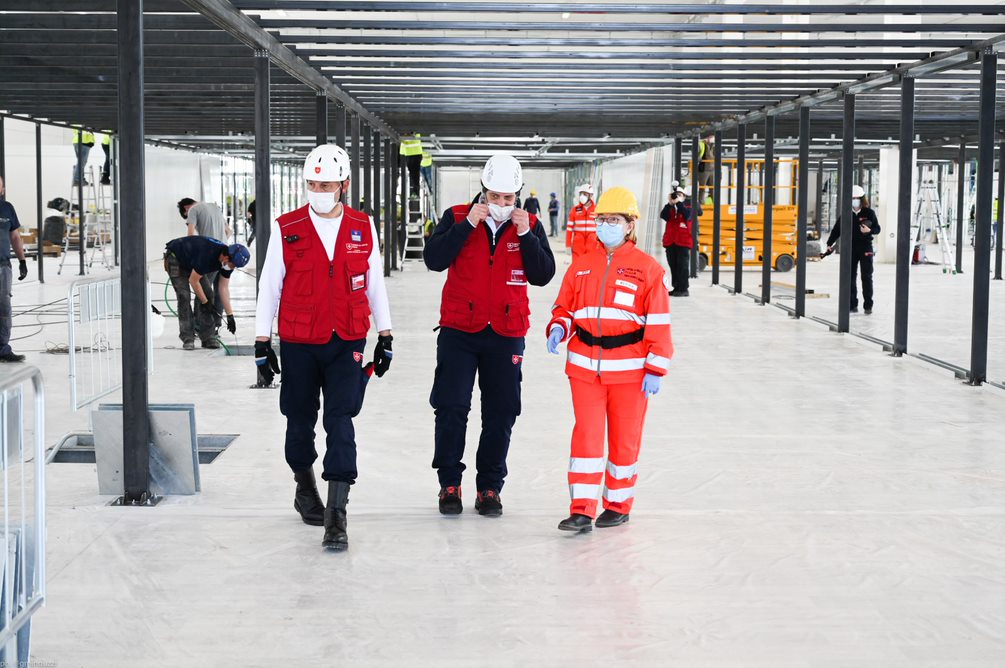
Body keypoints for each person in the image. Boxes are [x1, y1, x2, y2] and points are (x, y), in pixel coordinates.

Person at [254, 143, 393, 552]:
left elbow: (375, 283)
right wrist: (262, 342)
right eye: (313, 183)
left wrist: (385, 335)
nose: (318, 189)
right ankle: (304, 487)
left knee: (341, 421)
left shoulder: (362, 226)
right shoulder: (287, 227)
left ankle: (337, 514)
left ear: (344, 185)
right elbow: (269, 286)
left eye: (327, 183)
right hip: (299, 342)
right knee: (298, 421)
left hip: (346, 339)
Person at [424, 153, 555, 517]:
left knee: (501, 412)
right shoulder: (454, 216)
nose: (500, 205)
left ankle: (489, 489)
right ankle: (449, 483)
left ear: (517, 196)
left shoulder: (529, 224)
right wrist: (466, 225)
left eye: (508, 198)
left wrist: (527, 234)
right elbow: (434, 259)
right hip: (458, 331)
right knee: (451, 407)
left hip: (506, 331)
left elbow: (543, 274)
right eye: (494, 197)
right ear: (482, 192)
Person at [546, 186, 673, 533]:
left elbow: (659, 322)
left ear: (630, 225)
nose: (606, 225)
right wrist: (558, 328)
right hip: (584, 367)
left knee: (624, 439)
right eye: (602, 219)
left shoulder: (648, 270)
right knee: (586, 437)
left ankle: (617, 505)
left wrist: (656, 366)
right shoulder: (581, 266)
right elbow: (565, 307)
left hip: (631, 372)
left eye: (613, 220)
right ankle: (582, 509)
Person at [163, 236, 247, 350]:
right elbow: (193, 281)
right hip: (175, 259)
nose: (232, 267)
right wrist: (205, 302)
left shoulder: (226, 262)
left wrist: (230, 315)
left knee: (208, 294)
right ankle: (187, 337)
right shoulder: (208, 255)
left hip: (192, 261)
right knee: (184, 297)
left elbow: (223, 288)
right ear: (226, 257)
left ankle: (207, 337)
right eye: (233, 265)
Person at [826, 185, 880, 314]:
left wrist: (869, 230)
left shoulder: (869, 213)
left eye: (857, 198)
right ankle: (852, 304)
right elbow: (836, 230)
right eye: (852, 198)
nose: (855, 200)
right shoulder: (846, 213)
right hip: (850, 248)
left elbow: (877, 229)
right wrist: (829, 243)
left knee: (866, 276)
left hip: (865, 248)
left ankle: (868, 305)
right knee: (850, 277)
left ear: (862, 199)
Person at [178, 198, 230, 329]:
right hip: (225, 254)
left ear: (186, 208)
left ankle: (199, 325)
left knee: (202, 291)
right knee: (220, 290)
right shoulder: (215, 206)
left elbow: (190, 236)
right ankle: (216, 325)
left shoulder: (193, 210)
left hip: (210, 256)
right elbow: (229, 232)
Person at [0, 176, 29, 363]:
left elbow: (16, 237)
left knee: (4, 309)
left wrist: (22, 261)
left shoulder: (7, 208)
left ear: (2, 189)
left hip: (3, 268)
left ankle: (3, 349)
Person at [661, 187, 697, 297]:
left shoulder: (689, 207)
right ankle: (676, 287)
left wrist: (679, 203)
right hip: (671, 242)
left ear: (684, 197)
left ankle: (683, 289)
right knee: (673, 265)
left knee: (682, 266)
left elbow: (687, 215)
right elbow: (663, 216)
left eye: (679, 195)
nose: (677, 197)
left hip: (683, 242)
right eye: (675, 195)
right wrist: (669, 204)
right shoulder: (670, 208)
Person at [568, 183, 597, 257]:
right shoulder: (575, 209)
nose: (582, 196)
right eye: (580, 194)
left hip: (592, 243)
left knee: (591, 264)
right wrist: (568, 244)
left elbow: (601, 228)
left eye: (585, 194)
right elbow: (569, 227)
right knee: (577, 265)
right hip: (578, 243)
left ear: (590, 196)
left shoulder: (597, 210)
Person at [399, 132, 424, 199]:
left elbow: (402, 148)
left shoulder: (407, 137)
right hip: (414, 155)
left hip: (411, 155)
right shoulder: (413, 135)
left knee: (413, 175)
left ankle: (415, 192)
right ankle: (416, 192)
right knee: (415, 175)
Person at [697, 134, 717, 203]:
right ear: (708, 137)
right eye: (711, 137)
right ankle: (701, 202)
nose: (713, 139)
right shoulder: (701, 144)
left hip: (713, 170)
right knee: (702, 187)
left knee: (713, 187)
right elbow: (697, 155)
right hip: (704, 169)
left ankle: (715, 203)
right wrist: (699, 159)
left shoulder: (714, 146)